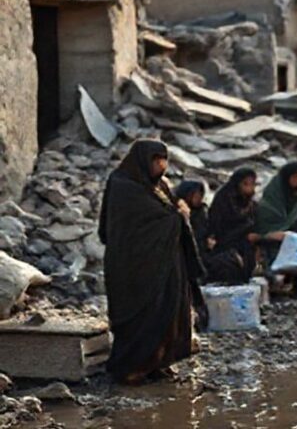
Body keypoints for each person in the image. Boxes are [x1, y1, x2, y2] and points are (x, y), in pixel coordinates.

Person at [99, 140, 206, 385]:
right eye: (156, 159)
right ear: (143, 160)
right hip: (133, 264)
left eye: (164, 159)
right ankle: (131, 367)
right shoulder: (123, 185)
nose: (162, 165)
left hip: (164, 262)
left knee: (167, 312)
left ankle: (157, 362)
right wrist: (178, 215)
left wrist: (178, 213)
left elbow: (169, 213)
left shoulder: (160, 186)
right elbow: (145, 221)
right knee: (141, 315)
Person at [255, 161, 297, 267]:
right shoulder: (272, 198)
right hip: (273, 240)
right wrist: (273, 234)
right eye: (295, 177)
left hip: (295, 236)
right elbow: (262, 228)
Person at [205, 168, 260, 284]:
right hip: (224, 244)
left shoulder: (251, 204)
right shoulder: (224, 200)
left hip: (245, 243)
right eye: (245, 184)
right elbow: (218, 228)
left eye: (252, 184)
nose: (249, 188)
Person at [175, 181, 211, 251]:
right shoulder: (177, 211)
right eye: (196, 195)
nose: (199, 198)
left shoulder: (202, 212)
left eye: (201, 195)